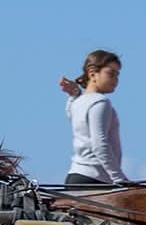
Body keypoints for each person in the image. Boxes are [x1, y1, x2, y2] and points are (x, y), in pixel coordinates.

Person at [57, 50, 133, 186]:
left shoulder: (77, 102)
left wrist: (74, 94)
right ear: (92, 74)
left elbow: (72, 115)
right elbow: (99, 144)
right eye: (111, 73)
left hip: (76, 177)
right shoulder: (100, 102)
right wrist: (119, 178)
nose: (115, 80)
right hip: (94, 179)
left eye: (117, 75)